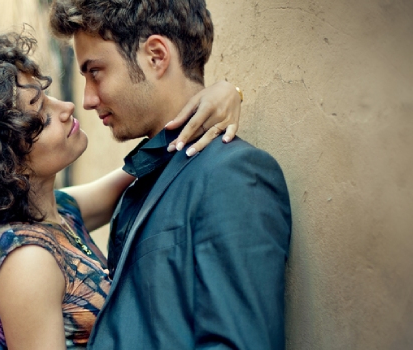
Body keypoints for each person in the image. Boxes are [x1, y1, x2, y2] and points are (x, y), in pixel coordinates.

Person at [0, 30, 242, 350]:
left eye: (47, 96)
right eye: (41, 115)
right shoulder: (28, 260)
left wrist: (221, 96)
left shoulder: (60, 212)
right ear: (4, 160)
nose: (67, 108)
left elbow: (138, 171)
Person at [49, 0, 293, 349]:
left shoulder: (235, 173)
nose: (87, 99)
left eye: (95, 71)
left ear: (157, 56)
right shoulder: (143, 178)